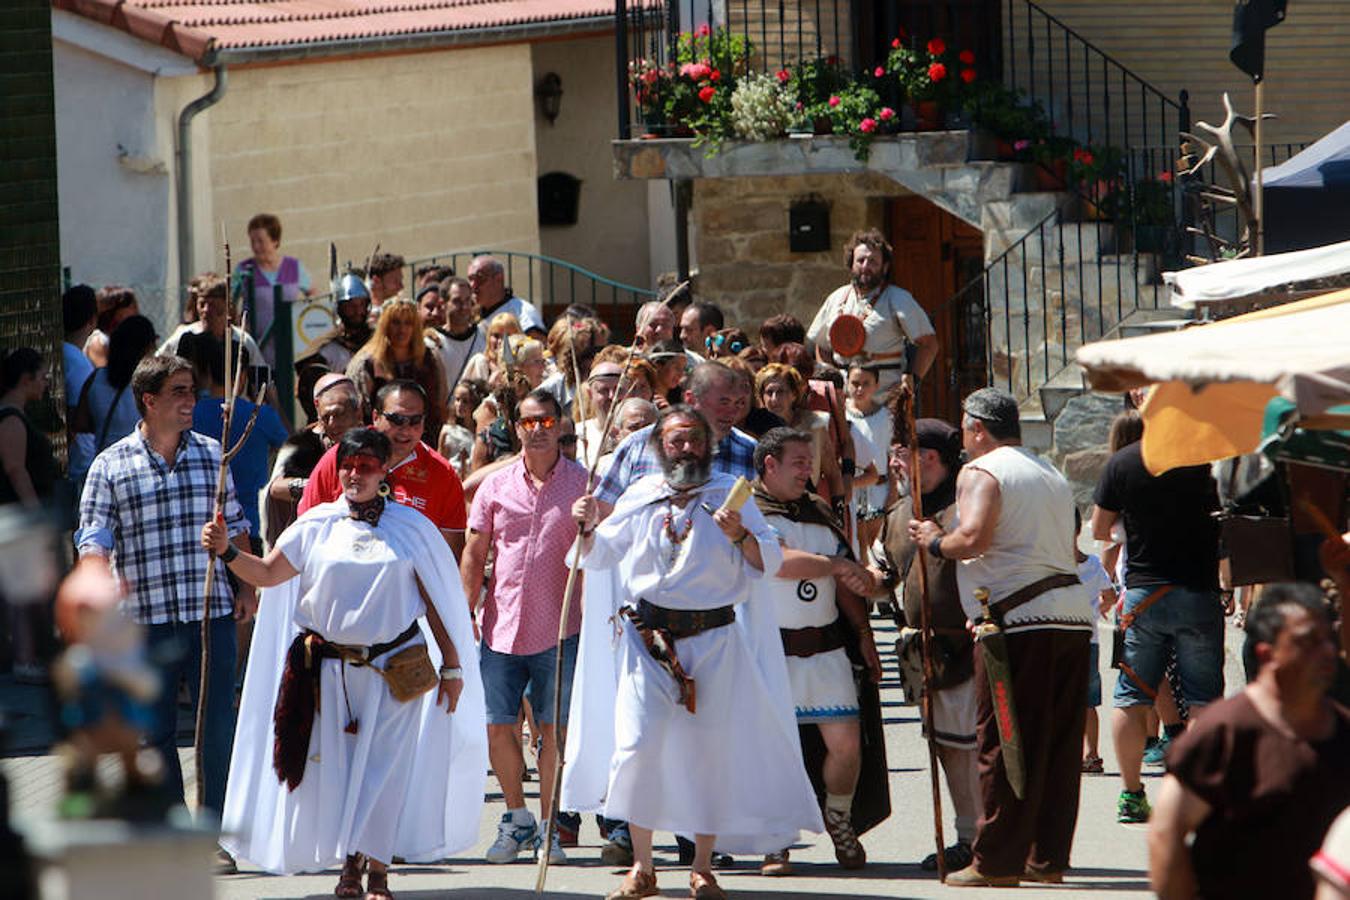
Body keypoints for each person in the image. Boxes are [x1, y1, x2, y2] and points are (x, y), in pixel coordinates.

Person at [207, 427, 487, 896]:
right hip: (329, 673)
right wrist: (228, 551)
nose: (356, 474)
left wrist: (453, 666)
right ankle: (349, 865)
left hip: (396, 670)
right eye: (348, 466)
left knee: (385, 773)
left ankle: (375, 872)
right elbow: (268, 574)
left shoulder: (411, 528)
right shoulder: (315, 525)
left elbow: (436, 602)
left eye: (367, 466)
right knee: (339, 774)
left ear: (384, 471)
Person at [570, 406, 823, 900]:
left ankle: (702, 867)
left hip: (714, 642)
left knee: (708, 753)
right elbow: (601, 554)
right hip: (649, 644)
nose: (686, 449)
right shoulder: (642, 494)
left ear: (709, 447)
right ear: (660, 449)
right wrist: (586, 527)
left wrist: (739, 535)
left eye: (694, 440)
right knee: (637, 747)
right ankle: (642, 867)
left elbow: (768, 561)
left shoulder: (732, 494)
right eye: (676, 441)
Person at [907, 388, 1093, 887]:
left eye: (966, 430)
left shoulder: (982, 471)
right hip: (1069, 618)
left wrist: (935, 541)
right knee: (1056, 747)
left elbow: (973, 538)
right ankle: (1045, 858)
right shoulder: (1049, 471)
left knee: (1004, 740)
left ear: (977, 428)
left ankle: (997, 861)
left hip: (1019, 624)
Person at [75, 354, 253, 827]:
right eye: (179, 391)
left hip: (210, 615)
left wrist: (247, 588)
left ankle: (212, 830)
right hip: (143, 622)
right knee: (152, 734)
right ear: (149, 401)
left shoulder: (214, 455)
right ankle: (174, 828)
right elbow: (93, 539)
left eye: (192, 390)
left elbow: (237, 525)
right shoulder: (109, 465)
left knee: (216, 728)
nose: (191, 400)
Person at [1148, 583, 1350, 900]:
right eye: (1308, 641)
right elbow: (1166, 832)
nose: (1325, 651)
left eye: (1328, 639)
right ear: (1266, 653)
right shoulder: (1223, 731)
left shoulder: (1343, 731)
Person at [461, 389, 587, 865]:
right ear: (516, 428)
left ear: (560, 425)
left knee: (553, 733)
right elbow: (475, 551)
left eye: (546, 421)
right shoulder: (495, 486)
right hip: (501, 626)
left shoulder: (584, 484)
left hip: (562, 626)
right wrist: (464, 612)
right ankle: (516, 818)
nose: (538, 430)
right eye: (529, 422)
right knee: (497, 727)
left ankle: (550, 827)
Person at [752, 427, 884, 875]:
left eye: (809, 462)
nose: (808, 471)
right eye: (799, 463)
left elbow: (844, 584)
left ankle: (839, 819)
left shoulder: (818, 510)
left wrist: (863, 631)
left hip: (826, 648)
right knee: (775, 750)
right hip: (772, 653)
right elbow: (779, 563)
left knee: (846, 745)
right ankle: (776, 838)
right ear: (770, 465)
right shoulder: (749, 512)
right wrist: (839, 565)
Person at [1092, 414, 1222, 823]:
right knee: (1203, 698)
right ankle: (1191, 795)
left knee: (1132, 695)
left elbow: (1100, 528)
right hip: (1198, 591)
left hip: (1145, 593)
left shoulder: (1123, 461)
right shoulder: (1207, 459)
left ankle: (1131, 794)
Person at [867, 417, 980, 872]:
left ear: (929, 457)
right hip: (928, 652)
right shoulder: (900, 513)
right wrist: (860, 578)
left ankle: (996, 836)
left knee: (981, 747)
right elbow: (884, 575)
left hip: (974, 646)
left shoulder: (968, 507)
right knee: (948, 746)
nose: (894, 464)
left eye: (900, 454)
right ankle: (968, 836)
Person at [301, 380, 467, 558]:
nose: (405, 430)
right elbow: (307, 529)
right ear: (376, 417)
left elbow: (450, 554)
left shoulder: (442, 474)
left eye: (415, 421)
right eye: (396, 420)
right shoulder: (339, 458)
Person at [595, 361, 756, 517]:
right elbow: (604, 511)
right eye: (724, 402)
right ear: (691, 400)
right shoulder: (638, 445)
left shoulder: (749, 452)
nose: (732, 412)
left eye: (738, 403)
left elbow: (759, 522)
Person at [181, 332, 289, 544]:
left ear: (207, 372)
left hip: (205, 528)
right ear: (243, 376)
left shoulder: (190, 415)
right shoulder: (261, 416)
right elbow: (290, 445)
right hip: (253, 526)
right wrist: (273, 402)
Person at [808, 228, 937, 388]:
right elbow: (821, 346)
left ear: (885, 266)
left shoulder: (898, 299)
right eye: (860, 260)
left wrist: (912, 381)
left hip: (886, 396)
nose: (865, 266)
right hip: (843, 396)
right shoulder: (836, 299)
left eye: (873, 261)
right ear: (851, 264)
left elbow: (929, 344)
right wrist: (831, 381)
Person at [264, 373, 363, 548]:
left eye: (339, 414)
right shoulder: (303, 442)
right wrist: (317, 486)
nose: (333, 423)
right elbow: (275, 488)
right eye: (326, 417)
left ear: (357, 411)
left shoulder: (373, 443)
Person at [348, 299, 448, 447]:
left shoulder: (431, 358)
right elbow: (357, 413)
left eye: (408, 323)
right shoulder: (367, 363)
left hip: (425, 443)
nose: (402, 329)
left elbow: (441, 403)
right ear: (385, 325)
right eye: (396, 322)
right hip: (380, 446)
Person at [755, 363, 844, 511]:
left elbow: (832, 473)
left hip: (805, 507)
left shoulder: (815, 425)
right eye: (769, 392)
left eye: (781, 392)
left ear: (794, 394)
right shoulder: (754, 428)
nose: (774, 399)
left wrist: (838, 512)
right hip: (766, 508)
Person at [295, 269, 374, 420]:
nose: (357, 311)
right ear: (340, 308)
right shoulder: (327, 349)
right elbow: (310, 392)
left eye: (361, 304)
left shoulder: (378, 341)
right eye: (351, 306)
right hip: (339, 419)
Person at [235, 212, 312, 366]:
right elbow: (231, 302)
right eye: (253, 241)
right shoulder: (244, 270)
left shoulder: (293, 267)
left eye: (261, 241)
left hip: (290, 345)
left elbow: (313, 297)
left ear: (275, 241)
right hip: (258, 346)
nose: (256, 247)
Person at [76, 315, 158, 455]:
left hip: (106, 459)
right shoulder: (152, 384)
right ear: (147, 348)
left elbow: (80, 423)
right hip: (141, 460)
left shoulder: (95, 378)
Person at [844, 363, 892, 553]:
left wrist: (893, 494)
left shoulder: (885, 417)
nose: (860, 389)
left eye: (866, 384)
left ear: (876, 385)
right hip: (850, 492)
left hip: (878, 491)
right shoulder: (841, 414)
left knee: (877, 549)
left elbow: (891, 456)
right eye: (855, 383)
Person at [0, 348, 57, 508]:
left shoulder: (18, 414)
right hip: (17, 514)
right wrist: (36, 512)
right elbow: (16, 470)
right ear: (26, 379)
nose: (46, 384)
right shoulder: (11, 419)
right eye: (43, 378)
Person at [63, 284, 98, 486]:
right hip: (80, 465)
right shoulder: (78, 364)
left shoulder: (66, 355)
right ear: (92, 320)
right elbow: (75, 415)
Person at [425, 276, 486, 392]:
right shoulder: (432, 343)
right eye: (457, 301)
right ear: (443, 303)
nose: (464, 307)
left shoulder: (483, 335)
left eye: (467, 300)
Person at [467, 255, 545, 337]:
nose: (473, 285)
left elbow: (537, 343)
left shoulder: (523, 313)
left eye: (479, 278)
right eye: (470, 279)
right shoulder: (468, 314)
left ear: (498, 278)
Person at [85, 285, 140, 368]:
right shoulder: (99, 340)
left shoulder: (127, 339)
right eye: (131, 306)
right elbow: (102, 371)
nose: (136, 310)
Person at [462, 312, 522, 385]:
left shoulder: (524, 366)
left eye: (507, 336)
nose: (500, 341)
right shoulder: (480, 362)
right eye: (496, 336)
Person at [366, 251, 407, 327]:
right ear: (376, 281)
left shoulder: (395, 310)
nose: (401, 286)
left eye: (400, 280)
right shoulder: (362, 315)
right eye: (395, 281)